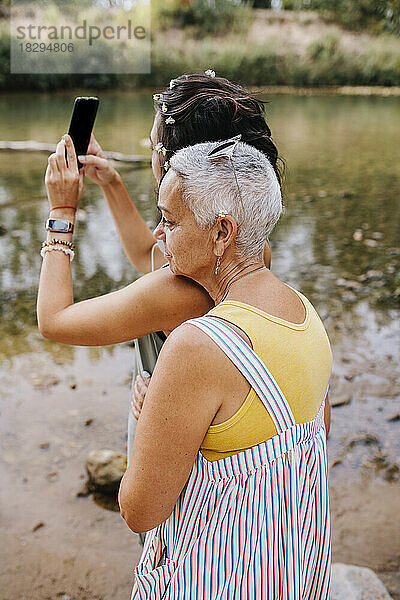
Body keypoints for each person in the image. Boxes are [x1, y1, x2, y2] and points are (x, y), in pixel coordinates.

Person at [118, 137, 333, 598]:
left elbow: (139, 510)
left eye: (170, 221)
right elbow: (313, 434)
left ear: (221, 233)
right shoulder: (304, 314)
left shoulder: (197, 346)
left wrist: (154, 414)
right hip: (291, 574)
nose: (158, 234)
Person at [37, 71, 280, 471]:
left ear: (178, 163)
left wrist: (61, 213)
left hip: (171, 460)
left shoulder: (179, 292)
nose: (152, 152)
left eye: (154, 146)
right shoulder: (242, 249)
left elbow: (54, 320)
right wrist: (111, 182)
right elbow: (146, 256)